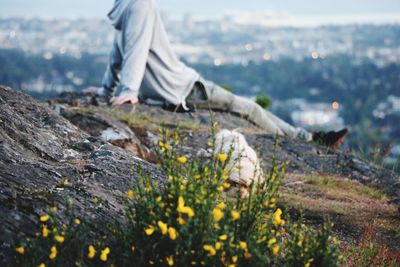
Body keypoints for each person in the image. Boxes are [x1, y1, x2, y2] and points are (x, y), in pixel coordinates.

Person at [86, 0, 348, 148]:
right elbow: (136, 49)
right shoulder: (141, 4)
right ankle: (310, 140)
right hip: (184, 87)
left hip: (173, 88)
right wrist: (129, 90)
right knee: (250, 109)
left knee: (248, 109)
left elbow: (116, 55)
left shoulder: (123, 8)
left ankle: (309, 137)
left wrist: (105, 91)